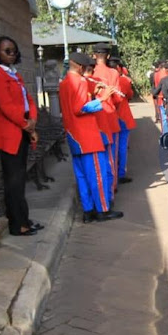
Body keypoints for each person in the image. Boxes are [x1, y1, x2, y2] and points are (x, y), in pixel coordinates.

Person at [0, 36, 44, 236]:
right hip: (10, 133)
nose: (12, 54)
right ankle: (17, 225)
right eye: (7, 51)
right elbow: (6, 106)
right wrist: (27, 125)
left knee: (20, 180)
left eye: (14, 51)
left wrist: (33, 120)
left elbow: (28, 99)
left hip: (22, 130)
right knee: (13, 182)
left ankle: (24, 220)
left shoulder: (13, 74)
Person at [59, 52, 124, 222]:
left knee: (82, 177)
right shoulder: (79, 81)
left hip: (74, 136)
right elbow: (80, 108)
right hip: (87, 137)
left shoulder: (64, 83)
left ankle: (88, 211)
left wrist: (93, 93)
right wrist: (102, 98)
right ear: (80, 67)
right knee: (98, 175)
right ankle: (102, 210)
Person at [91, 43, 122, 191]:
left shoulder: (89, 73)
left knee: (97, 157)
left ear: (93, 55)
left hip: (93, 118)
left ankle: (100, 188)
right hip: (110, 116)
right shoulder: (113, 73)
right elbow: (118, 99)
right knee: (111, 155)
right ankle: (112, 187)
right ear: (108, 56)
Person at [108, 56, 136, 184]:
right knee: (122, 146)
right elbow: (130, 94)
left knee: (111, 146)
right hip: (122, 116)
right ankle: (120, 173)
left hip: (108, 116)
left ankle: (112, 175)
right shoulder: (122, 80)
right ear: (118, 67)